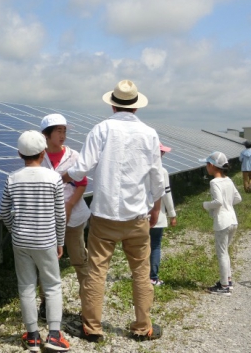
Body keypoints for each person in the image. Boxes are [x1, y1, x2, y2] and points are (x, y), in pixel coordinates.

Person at [62, 80, 165, 343]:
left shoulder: (101, 129)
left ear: (112, 104)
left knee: (97, 270)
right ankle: (143, 327)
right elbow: (156, 176)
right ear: (136, 107)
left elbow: (82, 166)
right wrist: (156, 207)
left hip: (104, 215)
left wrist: (66, 175)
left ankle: (92, 328)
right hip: (137, 216)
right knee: (141, 272)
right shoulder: (149, 133)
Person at [0, 130, 70, 352]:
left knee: (26, 286)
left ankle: (32, 337)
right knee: (52, 285)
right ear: (42, 153)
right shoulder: (54, 178)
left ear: (20, 153)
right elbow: (60, 214)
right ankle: (55, 335)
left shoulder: (13, 178)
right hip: (47, 240)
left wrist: (14, 230)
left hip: (21, 241)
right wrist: (60, 240)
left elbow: (4, 211)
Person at [38, 114, 90, 318]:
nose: (62, 135)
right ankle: (46, 304)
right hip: (48, 221)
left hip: (74, 217)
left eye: (64, 131)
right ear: (47, 134)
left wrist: (69, 205)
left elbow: (82, 182)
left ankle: (88, 303)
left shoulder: (73, 156)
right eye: (58, 131)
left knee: (79, 259)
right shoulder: (39, 157)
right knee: (48, 263)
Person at [202, 151, 241, 296]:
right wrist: (228, 205)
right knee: (225, 252)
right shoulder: (228, 180)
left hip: (222, 221)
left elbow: (218, 201)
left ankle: (224, 287)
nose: (206, 167)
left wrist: (206, 204)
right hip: (233, 220)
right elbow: (238, 198)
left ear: (212, 166)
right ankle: (227, 281)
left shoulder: (214, 182)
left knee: (222, 253)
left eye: (207, 164)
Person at [149, 143, 177, 286]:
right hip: (157, 215)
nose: (163, 154)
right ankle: (153, 278)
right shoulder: (162, 171)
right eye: (161, 152)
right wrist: (172, 214)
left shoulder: (140, 169)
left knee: (141, 246)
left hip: (140, 216)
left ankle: (140, 276)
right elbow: (167, 194)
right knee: (155, 246)